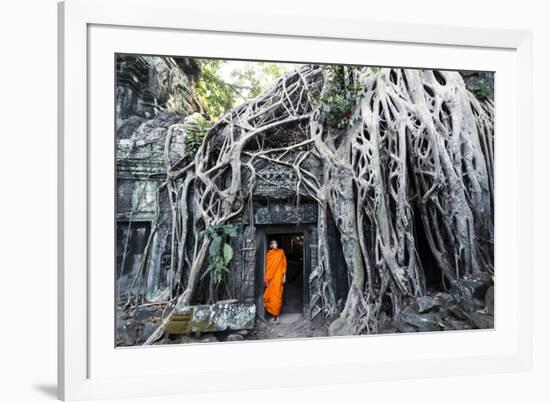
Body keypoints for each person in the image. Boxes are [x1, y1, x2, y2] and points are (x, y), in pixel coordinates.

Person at [263, 240, 287, 322]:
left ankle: (277, 316)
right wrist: (267, 279)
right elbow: (268, 267)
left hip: (278, 277)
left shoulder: (281, 252)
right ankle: (273, 315)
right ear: (270, 246)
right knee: (270, 297)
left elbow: (284, 264)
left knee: (278, 297)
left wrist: (284, 276)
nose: (275, 245)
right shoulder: (269, 254)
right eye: (273, 244)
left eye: (276, 243)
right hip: (271, 279)